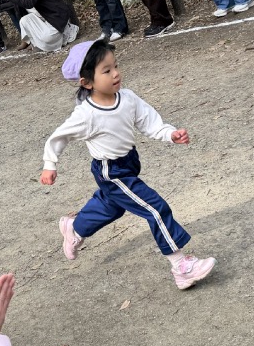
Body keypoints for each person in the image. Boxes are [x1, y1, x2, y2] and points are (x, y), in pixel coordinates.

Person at [41, 40, 217, 290]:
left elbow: (149, 121)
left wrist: (170, 134)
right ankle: (181, 266)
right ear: (87, 83)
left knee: (111, 207)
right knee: (155, 208)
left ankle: (75, 227)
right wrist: (50, 164)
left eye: (115, 66)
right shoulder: (86, 115)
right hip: (111, 172)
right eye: (106, 70)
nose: (116, 73)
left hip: (129, 163)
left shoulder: (127, 98)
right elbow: (59, 137)